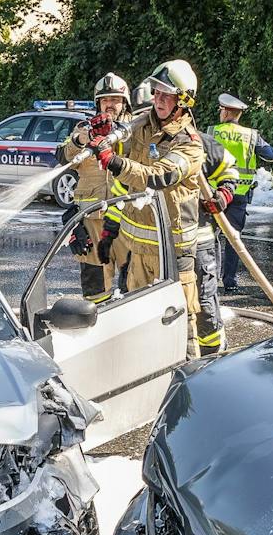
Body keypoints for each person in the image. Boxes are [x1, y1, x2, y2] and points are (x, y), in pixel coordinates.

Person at [88, 59, 207, 357]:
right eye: (156, 93)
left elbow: (158, 177)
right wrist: (105, 134)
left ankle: (186, 381)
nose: (159, 100)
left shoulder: (190, 145)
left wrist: (114, 161)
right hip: (137, 252)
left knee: (181, 325)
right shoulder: (141, 124)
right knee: (138, 325)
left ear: (184, 100)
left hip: (173, 253)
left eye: (166, 95)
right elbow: (122, 173)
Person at [56, 73, 134, 303]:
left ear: (125, 102)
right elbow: (62, 156)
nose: (109, 104)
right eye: (104, 100)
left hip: (128, 221)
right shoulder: (84, 128)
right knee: (95, 291)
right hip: (92, 223)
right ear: (97, 103)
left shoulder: (135, 129)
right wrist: (82, 139)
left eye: (115, 99)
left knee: (136, 288)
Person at [207, 93, 273, 291]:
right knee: (233, 239)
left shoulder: (212, 132)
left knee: (210, 237)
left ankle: (210, 278)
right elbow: (271, 156)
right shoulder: (252, 135)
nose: (220, 113)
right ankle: (230, 281)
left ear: (227, 111)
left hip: (214, 193)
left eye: (221, 110)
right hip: (239, 194)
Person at [191, 133, 240, 355]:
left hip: (198, 237)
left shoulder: (197, 142)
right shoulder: (142, 142)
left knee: (204, 306)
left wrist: (223, 194)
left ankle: (214, 356)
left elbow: (230, 170)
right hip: (156, 246)